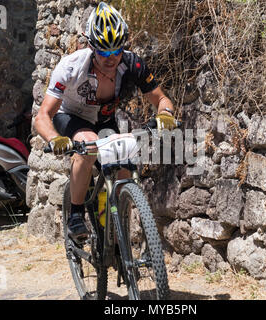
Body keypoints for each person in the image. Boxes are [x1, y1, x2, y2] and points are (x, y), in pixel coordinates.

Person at [34, 2, 177, 241]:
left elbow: (162, 99)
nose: (111, 58)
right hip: (70, 116)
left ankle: (117, 232)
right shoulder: (70, 67)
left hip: (103, 119)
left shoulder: (133, 64)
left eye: (116, 51)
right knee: (88, 146)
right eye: (103, 52)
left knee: (123, 163)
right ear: (91, 46)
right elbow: (42, 116)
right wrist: (55, 139)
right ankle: (77, 215)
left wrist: (166, 115)